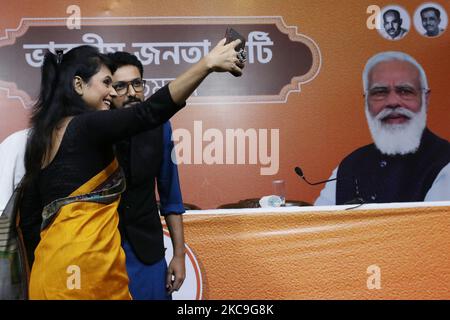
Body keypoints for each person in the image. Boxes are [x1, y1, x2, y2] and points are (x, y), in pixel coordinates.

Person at [18, 39, 244, 299]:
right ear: (79, 85)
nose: (114, 93)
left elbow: (30, 218)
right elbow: (148, 113)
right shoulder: (86, 127)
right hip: (83, 274)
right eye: (107, 83)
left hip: (52, 273)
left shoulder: (43, 136)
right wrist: (206, 64)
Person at [315, 51, 450, 206]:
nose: (392, 102)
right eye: (380, 92)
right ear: (366, 102)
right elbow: (320, 224)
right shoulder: (349, 165)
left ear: (425, 99)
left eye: (405, 91)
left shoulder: (444, 162)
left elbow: (435, 228)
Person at [107, 51, 185, 300]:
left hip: (148, 252)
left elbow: (170, 194)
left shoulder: (160, 126)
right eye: (121, 86)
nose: (131, 92)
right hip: (102, 249)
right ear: (108, 90)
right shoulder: (93, 128)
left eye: (137, 83)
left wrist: (179, 255)